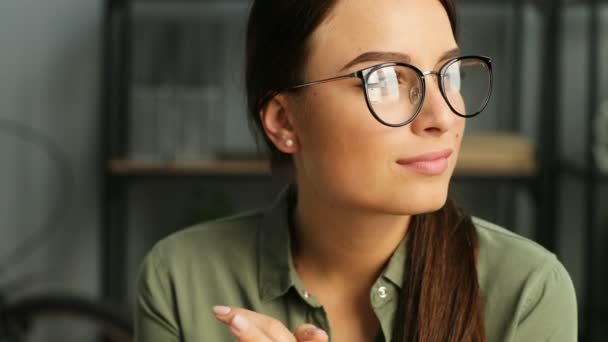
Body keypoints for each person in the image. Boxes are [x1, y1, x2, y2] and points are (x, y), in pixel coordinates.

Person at [134, 0, 578, 341]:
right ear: (285, 121)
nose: (442, 116)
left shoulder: (526, 291)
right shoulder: (182, 281)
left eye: (449, 73)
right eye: (382, 79)